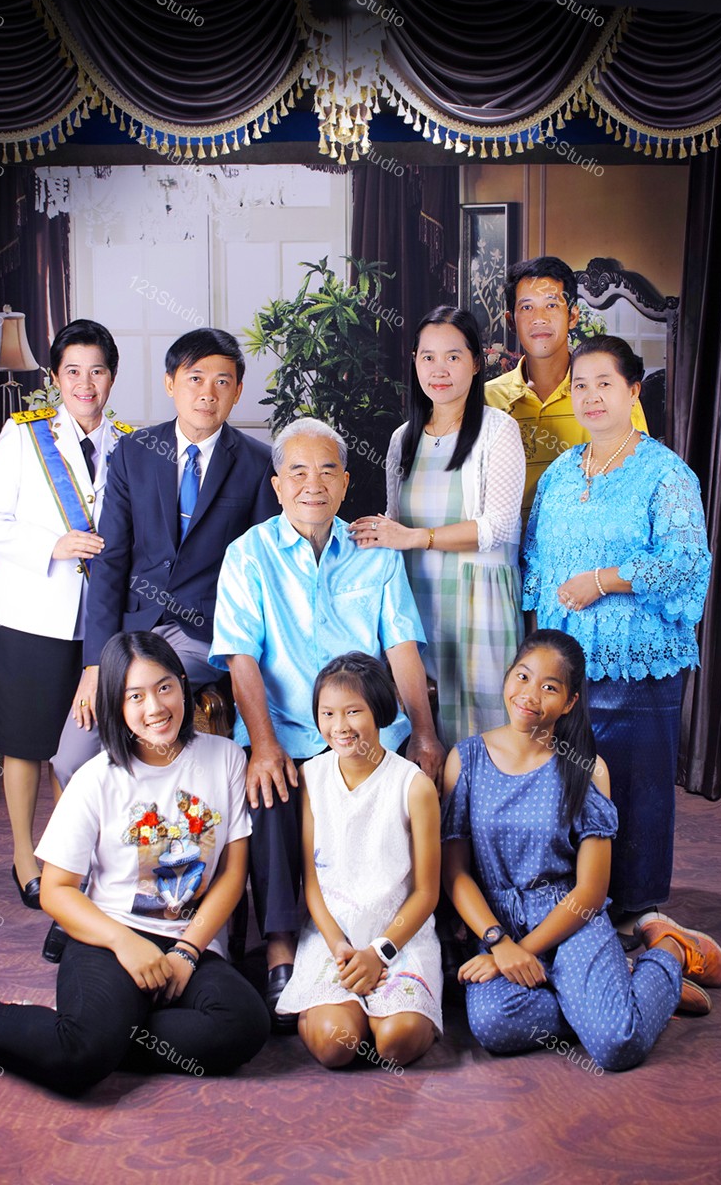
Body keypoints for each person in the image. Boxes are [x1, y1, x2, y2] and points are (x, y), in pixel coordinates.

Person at [0, 632, 269, 1094]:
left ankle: (90, 1030)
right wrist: (125, 944)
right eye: (135, 696)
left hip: (188, 941)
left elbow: (231, 873)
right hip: (107, 936)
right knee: (79, 1058)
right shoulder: (96, 779)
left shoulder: (224, 758)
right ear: (115, 705)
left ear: (183, 685)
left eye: (165, 687)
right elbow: (55, 891)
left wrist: (187, 950)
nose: (155, 707)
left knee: (244, 1027)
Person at [209, 417, 445, 1023]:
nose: (312, 484)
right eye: (297, 472)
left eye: (326, 472)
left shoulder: (374, 553)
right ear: (277, 485)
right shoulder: (248, 555)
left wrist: (424, 733)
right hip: (285, 729)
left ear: (344, 484)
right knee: (268, 787)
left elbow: (401, 647)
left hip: (366, 733)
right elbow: (240, 658)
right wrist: (264, 744)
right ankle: (280, 949)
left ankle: (389, 932)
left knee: (403, 786)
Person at [441, 629, 721, 1073]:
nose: (530, 695)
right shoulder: (466, 759)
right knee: (494, 1022)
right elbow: (455, 873)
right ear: (508, 676)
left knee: (616, 1044)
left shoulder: (588, 769)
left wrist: (521, 951)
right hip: (498, 922)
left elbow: (591, 892)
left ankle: (668, 954)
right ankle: (617, 996)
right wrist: (498, 943)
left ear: (570, 702)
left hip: (571, 916)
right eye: (523, 676)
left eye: (550, 687)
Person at [521, 336, 712, 923]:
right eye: (580, 385)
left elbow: (685, 562)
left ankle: (635, 912)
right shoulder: (559, 473)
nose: (591, 396)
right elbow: (534, 561)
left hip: (637, 666)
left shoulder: (666, 473)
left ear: (633, 391)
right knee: (569, 788)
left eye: (605, 383)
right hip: (566, 672)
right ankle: (577, 907)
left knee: (634, 790)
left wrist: (603, 581)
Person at [51, 326, 278, 787]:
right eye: (195, 379)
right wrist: (95, 665)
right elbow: (111, 562)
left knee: (142, 719)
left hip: (206, 635)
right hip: (133, 629)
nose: (207, 393)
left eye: (222, 381)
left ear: (237, 391)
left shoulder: (258, 463)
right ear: (170, 383)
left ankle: (165, 825)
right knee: (71, 758)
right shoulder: (133, 453)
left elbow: (263, 569)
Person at [0, 319, 129, 909]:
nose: (86, 384)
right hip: (29, 615)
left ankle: (68, 859)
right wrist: (53, 546)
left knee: (81, 748)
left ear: (112, 376)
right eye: (73, 372)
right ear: (55, 378)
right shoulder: (23, 436)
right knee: (25, 740)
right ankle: (22, 856)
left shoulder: (132, 443)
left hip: (99, 622)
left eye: (97, 371)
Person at [350, 306, 525, 745]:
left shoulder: (498, 430)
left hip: (479, 600)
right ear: (414, 361)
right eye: (427, 357)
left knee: (485, 732)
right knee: (422, 731)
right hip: (417, 600)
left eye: (453, 356)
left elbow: (499, 527)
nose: (438, 369)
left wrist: (415, 538)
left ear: (476, 363)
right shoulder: (403, 438)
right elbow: (396, 519)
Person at [275, 653, 442, 1068]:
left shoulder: (413, 785)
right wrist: (339, 947)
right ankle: (343, 1008)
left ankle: (392, 1012)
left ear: (379, 710)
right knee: (336, 1043)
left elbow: (427, 892)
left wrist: (379, 952)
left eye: (353, 712)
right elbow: (312, 883)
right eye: (327, 713)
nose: (340, 726)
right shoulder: (311, 778)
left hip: (400, 935)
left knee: (396, 1041)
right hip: (335, 936)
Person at [484, 256, 648, 526]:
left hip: (589, 548)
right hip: (503, 550)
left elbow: (638, 483)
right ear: (511, 321)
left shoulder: (611, 396)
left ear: (572, 316)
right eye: (527, 307)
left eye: (551, 305)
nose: (539, 319)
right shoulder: (486, 399)